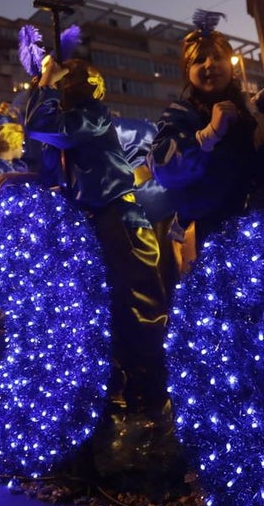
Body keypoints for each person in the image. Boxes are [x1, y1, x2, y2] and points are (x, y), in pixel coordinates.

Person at [25, 58, 169, 424]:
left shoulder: (92, 116)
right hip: (93, 224)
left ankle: (153, 399)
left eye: (67, 77)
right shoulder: (71, 127)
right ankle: (122, 396)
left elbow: (41, 123)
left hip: (119, 220)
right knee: (103, 315)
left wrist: (45, 83)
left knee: (136, 312)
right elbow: (45, 154)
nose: (62, 81)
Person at [148, 11, 264, 261]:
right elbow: (164, 167)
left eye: (217, 57)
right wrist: (208, 136)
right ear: (187, 71)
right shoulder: (180, 113)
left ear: (230, 65)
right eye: (199, 60)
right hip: (208, 239)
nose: (209, 65)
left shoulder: (251, 113)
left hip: (257, 232)